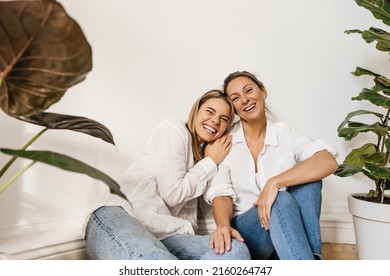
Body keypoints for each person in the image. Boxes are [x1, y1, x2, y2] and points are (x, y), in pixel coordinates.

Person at [84, 89, 251, 260]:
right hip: (124, 214)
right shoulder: (173, 129)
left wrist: (212, 161)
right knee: (156, 259)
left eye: (224, 119)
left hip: (167, 234)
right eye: (210, 111)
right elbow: (172, 194)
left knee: (235, 252)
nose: (215, 120)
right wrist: (210, 162)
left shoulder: (213, 155)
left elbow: (221, 193)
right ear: (196, 111)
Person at [204, 71, 338, 260]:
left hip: (286, 235)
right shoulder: (226, 142)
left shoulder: (284, 133)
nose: (244, 100)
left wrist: (273, 183)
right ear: (233, 108)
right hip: (249, 235)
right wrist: (223, 226)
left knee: (310, 182)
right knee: (280, 200)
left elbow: (328, 161)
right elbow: (221, 195)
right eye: (235, 98)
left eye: (249, 90)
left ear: (262, 91)